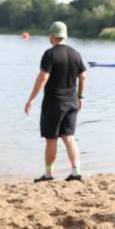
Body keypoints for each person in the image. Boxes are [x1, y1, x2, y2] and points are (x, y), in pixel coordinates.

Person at [25, 21, 87, 182]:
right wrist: (80, 97)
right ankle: (76, 172)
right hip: (72, 101)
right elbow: (83, 76)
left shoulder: (50, 54)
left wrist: (31, 99)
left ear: (52, 36)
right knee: (69, 137)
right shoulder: (76, 54)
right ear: (65, 35)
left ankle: (49, 174)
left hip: (54, 102)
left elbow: (44, 77)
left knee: (51, 138)